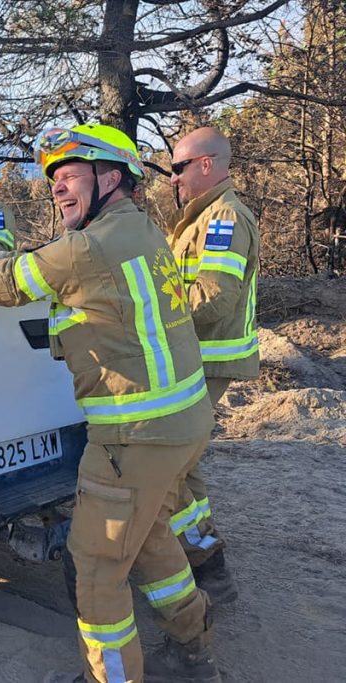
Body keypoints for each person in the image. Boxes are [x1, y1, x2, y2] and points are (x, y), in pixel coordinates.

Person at [0, 124, 221, 683]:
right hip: (182, 425)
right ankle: (194, 647)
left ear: (112, 178)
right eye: (55, 181)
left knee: (96, 568)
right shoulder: (141, 231)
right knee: (152, 537)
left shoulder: (89, 246)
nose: (59, 189)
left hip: (132, 437)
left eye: (70, 176)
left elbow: (9, 280)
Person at [167, 127, 259, 604]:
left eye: (179, 167)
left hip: (205, 360)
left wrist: (154, 309)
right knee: (180, 466)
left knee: (170, 465)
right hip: (192, 359)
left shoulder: (223, 219)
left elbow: (214, 297)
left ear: (206, 164)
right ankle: (204, 560)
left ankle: (208, 565)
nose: (173, 177)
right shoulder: (200, 218)